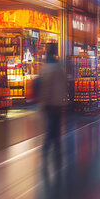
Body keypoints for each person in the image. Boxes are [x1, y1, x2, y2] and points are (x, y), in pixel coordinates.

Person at [39, 43, 67, 171]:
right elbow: (64, 85)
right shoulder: (60, 67)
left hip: (50, 103)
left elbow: (45, 88)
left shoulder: (46, 68)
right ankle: (58, 149)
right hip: (58, 102)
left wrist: (43, 103)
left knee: (51, 127)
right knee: (56, 126)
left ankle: (46, 150)